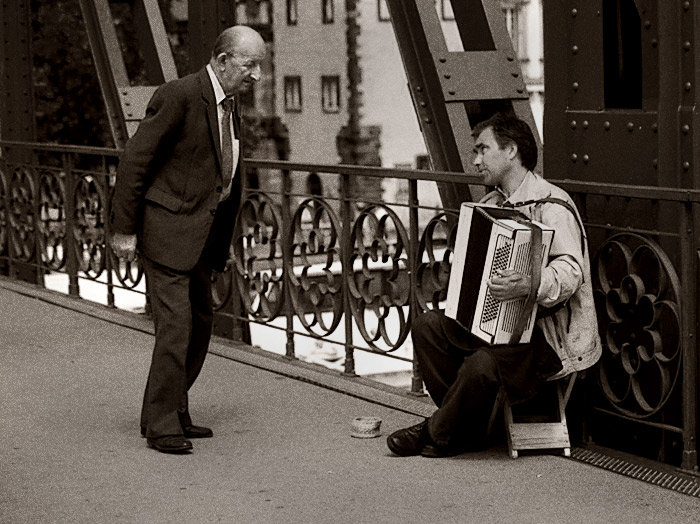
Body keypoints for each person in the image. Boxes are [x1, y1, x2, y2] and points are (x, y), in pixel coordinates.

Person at [387, 112, 602, 458]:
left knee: (482, 364)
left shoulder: (553, 205)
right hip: (488, 325)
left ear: (511, 150)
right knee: (426, 326)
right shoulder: (489, 206)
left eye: (483, 150)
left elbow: (570, 272)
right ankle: (463, 429)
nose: (476, 160)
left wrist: (530, 284)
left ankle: (437, 430)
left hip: (542, 335)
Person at [110, 26, 266, 454]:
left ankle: (169, 410)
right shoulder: (178, 95)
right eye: (250, 65)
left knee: (200, 327)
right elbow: (135, 162)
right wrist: (123, 228)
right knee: (176, 330)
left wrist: (225, 238)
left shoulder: (228, 102)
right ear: (222, 61)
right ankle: (161, 427)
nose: (257, 76)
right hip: (167, 231)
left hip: (202, 234)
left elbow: (222, 173)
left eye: (260, 67)